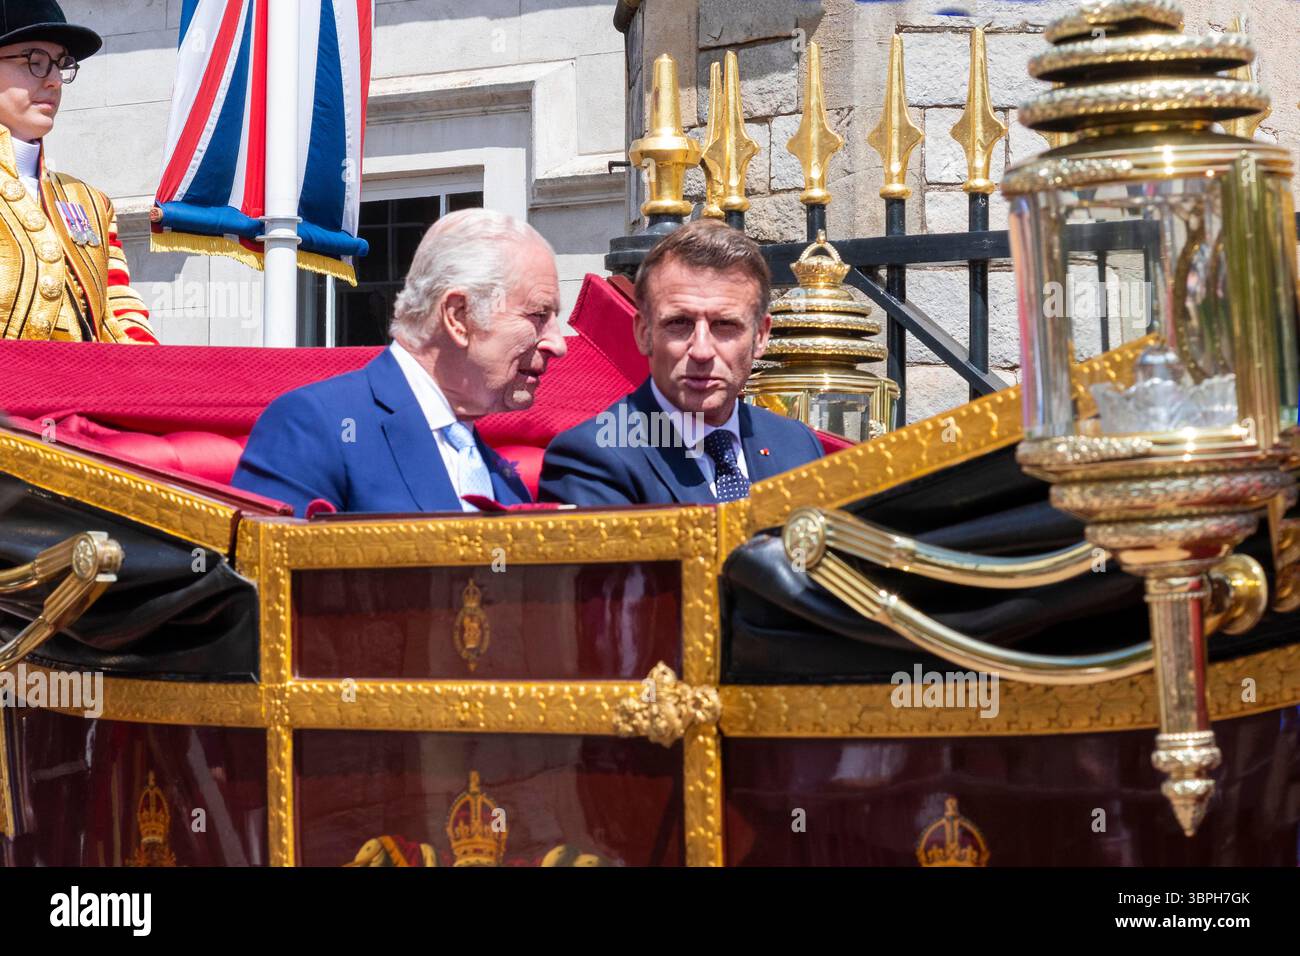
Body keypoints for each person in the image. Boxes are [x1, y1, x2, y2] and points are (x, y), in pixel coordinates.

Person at [232, 208, 568, 516]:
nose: (558, 343)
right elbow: (270, 575)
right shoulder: (314, 428)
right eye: (539, 314)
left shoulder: (503, 481)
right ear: (458, 316)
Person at [540, 220, 823, 506]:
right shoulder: (593, 458)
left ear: (760, 337)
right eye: (679, 323)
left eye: (724, 325)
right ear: (643, 333)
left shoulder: (798, 446)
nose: (701, 350)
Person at [0, 1, 156, 342]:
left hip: (80, 392)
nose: (55, 81)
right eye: (35, 62)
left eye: (61, 65)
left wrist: (150, 380)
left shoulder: (90, 202)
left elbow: (119, 312)